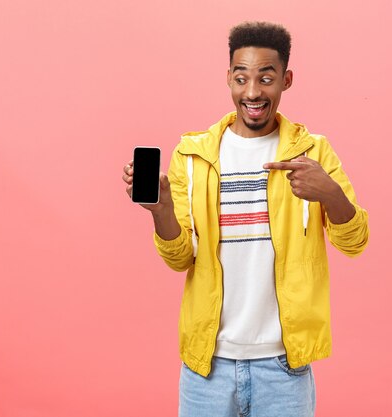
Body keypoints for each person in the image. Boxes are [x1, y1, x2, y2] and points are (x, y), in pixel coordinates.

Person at [122, 21, 369, 417]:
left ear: (286, 80)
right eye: (242, 78)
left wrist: (330, 193)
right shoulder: (193, 155)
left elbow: (355, 242)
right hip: (208, 368)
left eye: (266, 78)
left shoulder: (314, 153)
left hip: (284, 368)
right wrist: (161, 211)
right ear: (228, 80)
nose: (253, 92)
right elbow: (179, 257)